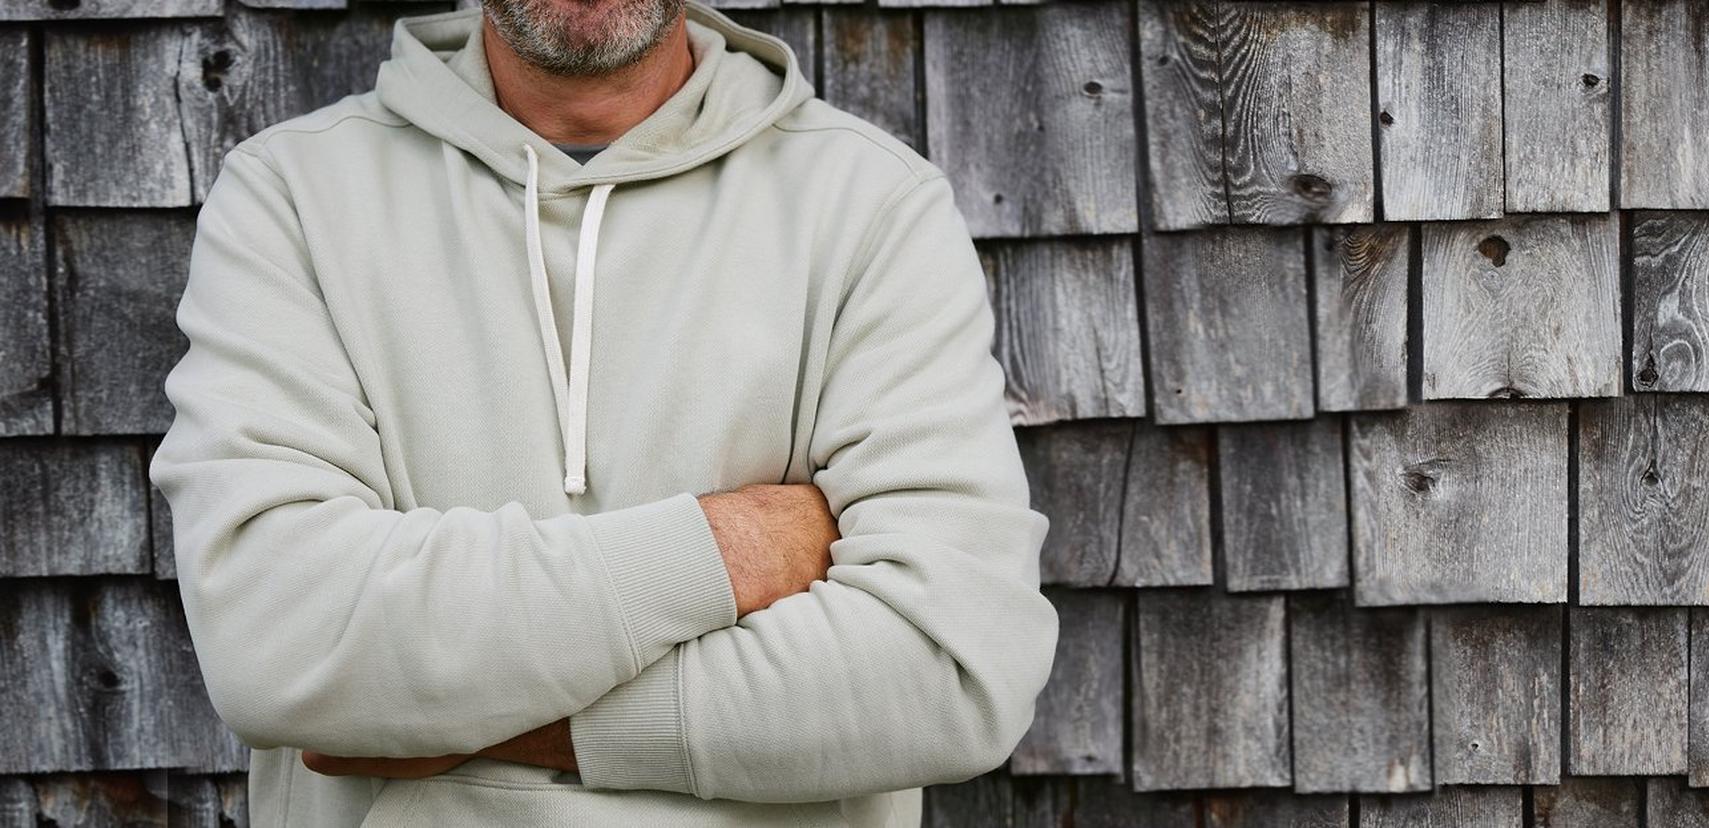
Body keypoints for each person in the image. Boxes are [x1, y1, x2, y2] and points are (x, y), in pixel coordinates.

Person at [146, 0, 1058, 824]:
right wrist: (732, 547)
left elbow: (954, 672)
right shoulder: (294, 197)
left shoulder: (871, 206)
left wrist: (460, 716)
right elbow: (279, 642)